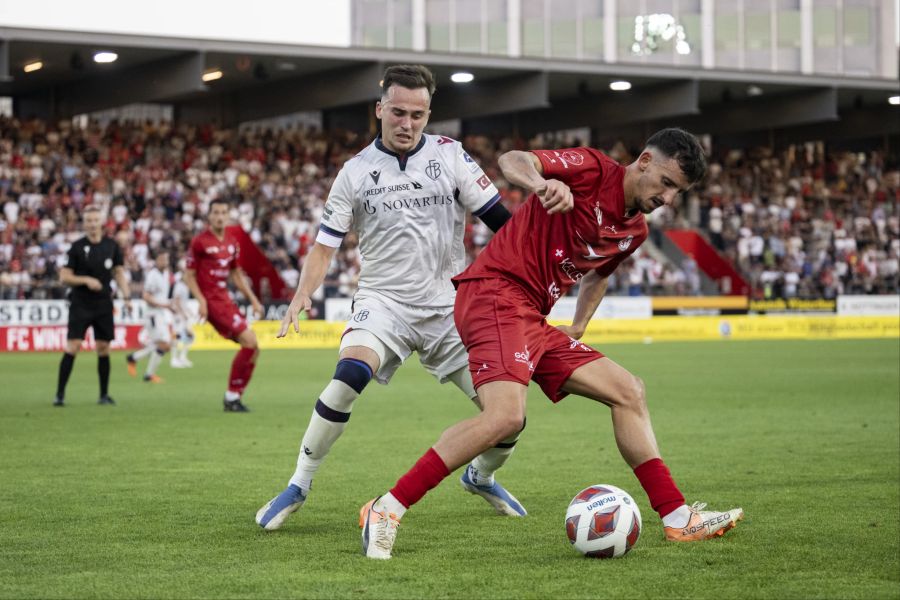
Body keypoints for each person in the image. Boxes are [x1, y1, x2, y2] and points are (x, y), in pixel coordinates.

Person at [360, 128, 744, 559]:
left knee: (628, 391)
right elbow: (512, 158)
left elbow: (600, 273)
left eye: (679, 192)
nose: (669, 199)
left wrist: (579, 325)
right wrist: (543, 184)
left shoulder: (634, 230)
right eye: (667, 183)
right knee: (505, 417)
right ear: (645, 162)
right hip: (494, 292)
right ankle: (385, 508)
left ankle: (677, 519)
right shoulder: (592, 169)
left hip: (530, 316)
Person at [256, 64, 535, 531]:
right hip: (383, 302)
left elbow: (501, 223)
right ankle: (298, 484)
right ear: (379, 109)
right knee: (349, 374)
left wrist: (534, 275)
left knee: (510, 418)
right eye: (399, 113)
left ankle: (480, 476)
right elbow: (325, 246)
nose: (407, 124)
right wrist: (303, 292)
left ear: (429, 114)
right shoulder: (355, 172)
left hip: (450, 306)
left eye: (418, 115)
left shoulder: (452, 157)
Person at [183, 198, 264, 412]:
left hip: (225, 299)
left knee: (255, 348)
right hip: (212, 302)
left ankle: (235, 396)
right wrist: (201, 300)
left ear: (228, 216)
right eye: (215, 212)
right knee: (249, 341)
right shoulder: (199, 242)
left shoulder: (231, 242)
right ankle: (231, 397)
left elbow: (236, 274)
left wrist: (254, 300)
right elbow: (188, 275)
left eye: (223, 213)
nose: (219, 216)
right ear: (209, 216)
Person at [54, 205, 131, 406]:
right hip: (80, 303)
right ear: (84, 223)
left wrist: (127, 297)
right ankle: (59, 394)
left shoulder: (112, 246)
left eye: (95, 220)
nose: (92, 224)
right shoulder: (77, 247)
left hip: (104, 303)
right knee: (74, 346)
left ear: (102, 222)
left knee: (104, 347)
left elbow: (119, 272)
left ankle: (103, 395)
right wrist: (86, 280)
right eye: (88, 220)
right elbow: (64, 276)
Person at [126, 250, 172, 383]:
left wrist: (168, 306)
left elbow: (161, 296)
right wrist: (163, 305)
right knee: (164, 345)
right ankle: (148, 374)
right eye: (162, 259)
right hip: (153, 314)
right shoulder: (153, 275)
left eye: (166, 259)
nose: (165, 262)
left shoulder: (166, 273)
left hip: (161, 314)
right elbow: (146, 296)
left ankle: (133, 358)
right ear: (156, 261)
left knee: (160, 345)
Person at [169, 267, 195, 368]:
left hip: (183, 315)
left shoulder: (185, 286)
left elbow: (183, 302)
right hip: (178, 316)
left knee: (190, 336)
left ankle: (182, 357)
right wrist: (183, 313)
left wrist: (188, 311)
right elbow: (177, 301)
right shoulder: (179, 286)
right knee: (177, 336)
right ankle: (173, 359)